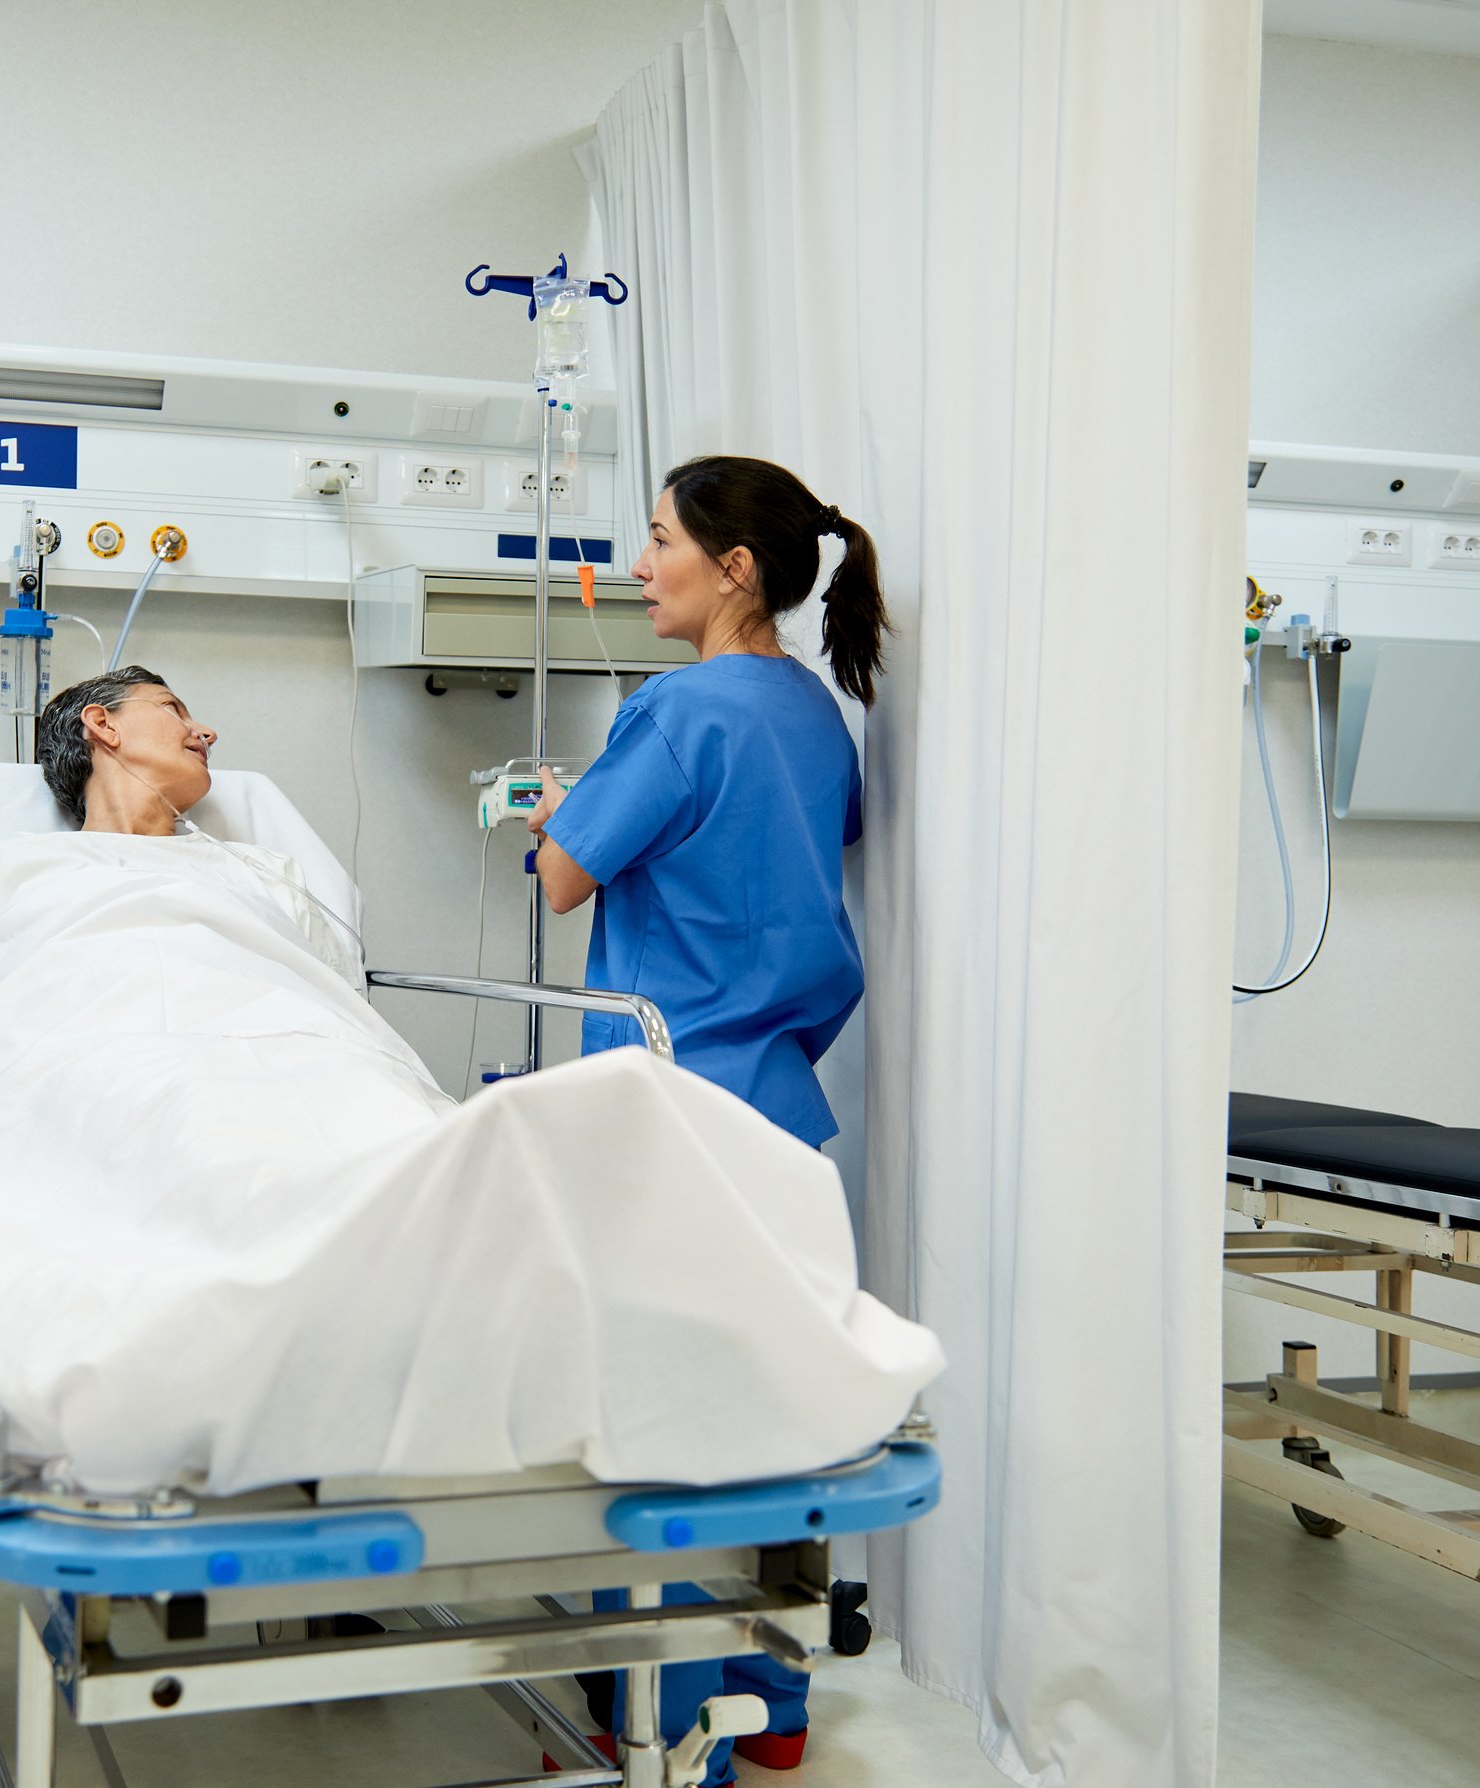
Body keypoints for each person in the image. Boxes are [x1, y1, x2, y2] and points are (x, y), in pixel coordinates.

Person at [529, 454, 890, 1782]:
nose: (637, 563)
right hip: (779, 1112)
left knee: (664, 1440)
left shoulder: (675, 711)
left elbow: (562, 881)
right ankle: (769, 1704)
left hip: (668, 1110)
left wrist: (561, 810)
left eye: (658, 538)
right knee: (754, 1424)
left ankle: (676, 1726)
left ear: (731, 567)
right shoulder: (812, 715)